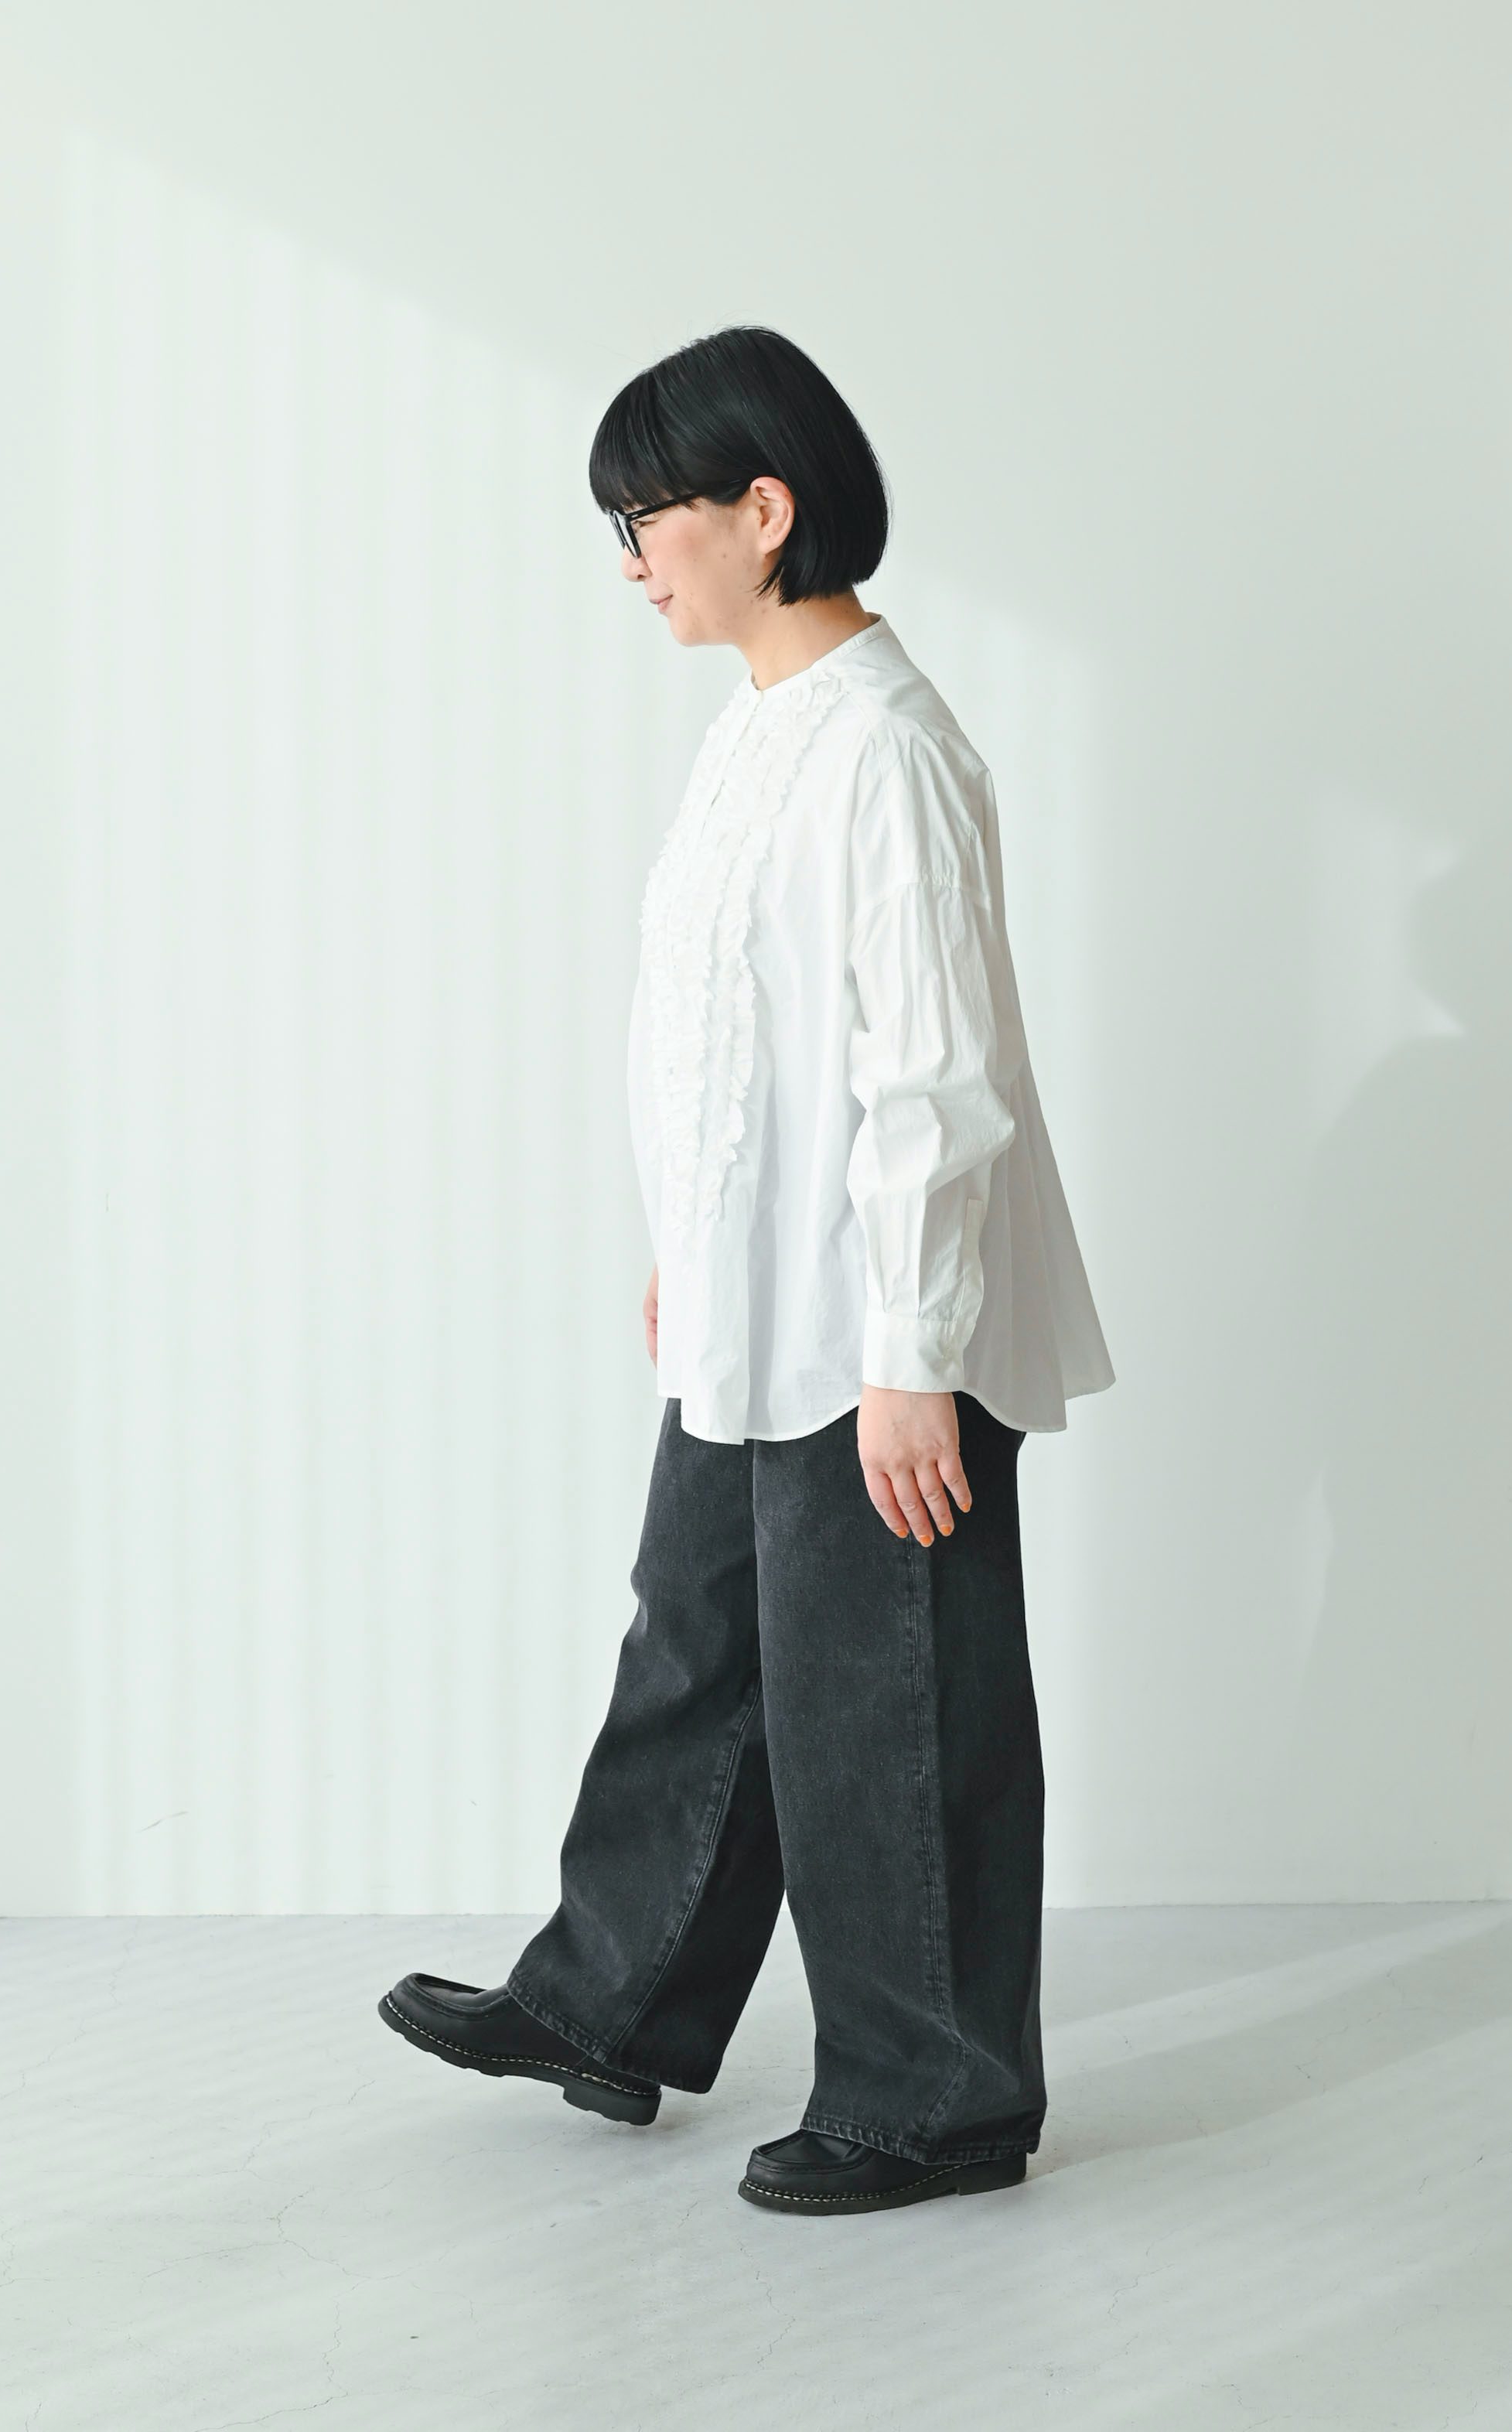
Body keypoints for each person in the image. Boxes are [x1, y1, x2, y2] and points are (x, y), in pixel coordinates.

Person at [383, 326, 1114, 2216]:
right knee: (702, 1649)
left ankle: (937, 2098)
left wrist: (913, 1357)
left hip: (876, 1322)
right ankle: (610, 2001)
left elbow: (934, 1080)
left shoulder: (887, 748)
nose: (630, 559)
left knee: (888, 1702)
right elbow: (732, 1035)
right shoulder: (760, 731)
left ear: (762, 511)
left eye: (648, 518)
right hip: (759, 1300)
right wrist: (690, 1247)